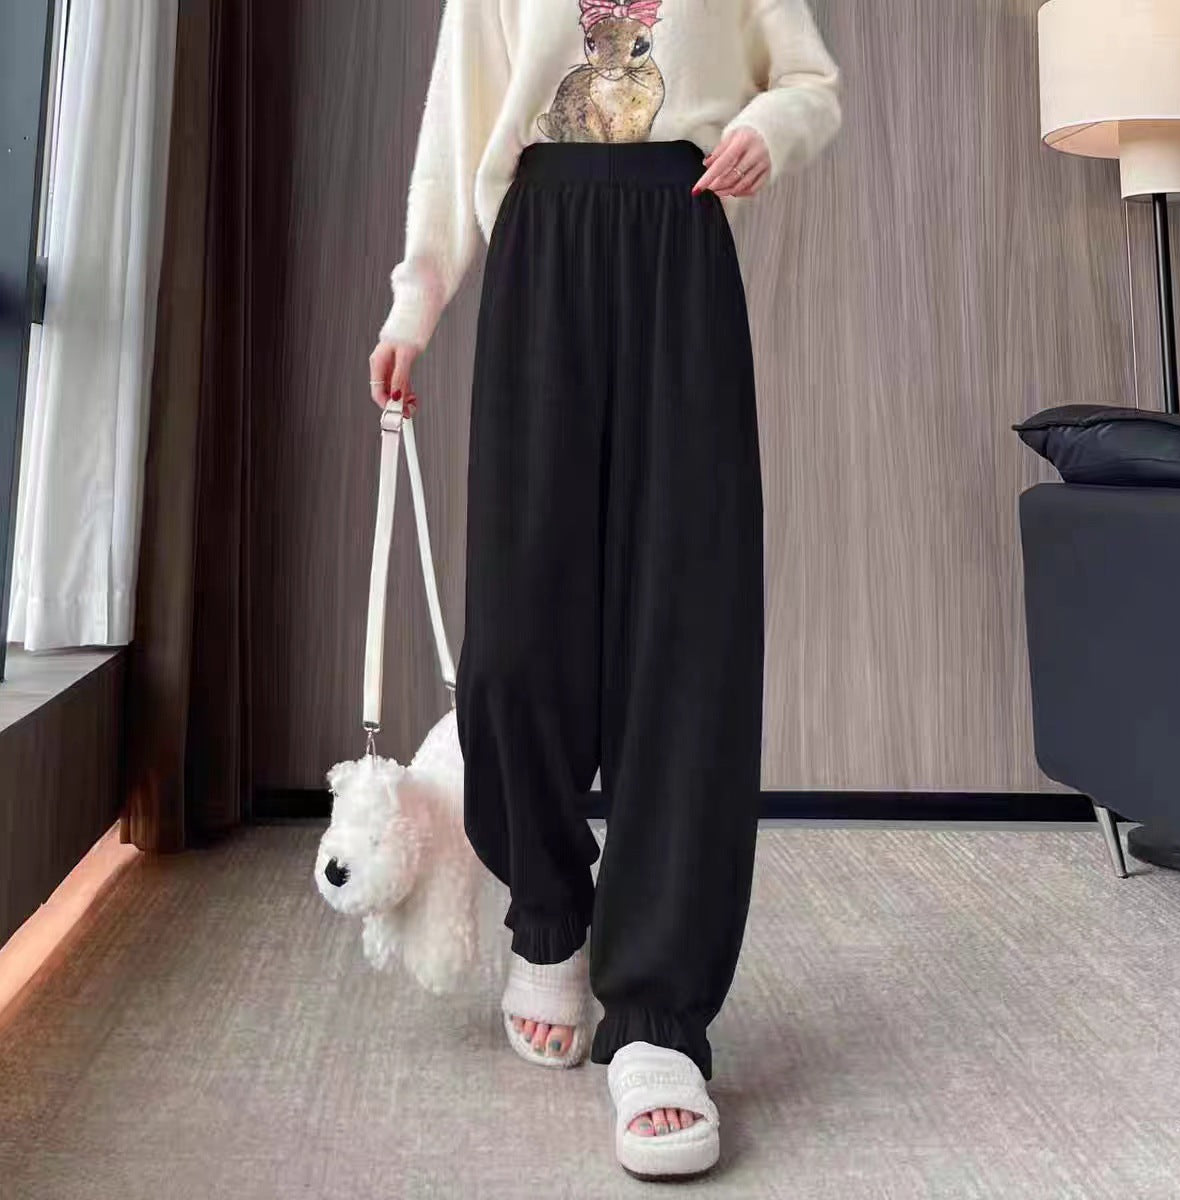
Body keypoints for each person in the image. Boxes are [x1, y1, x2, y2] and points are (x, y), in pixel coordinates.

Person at [368, 0, 841, 1180]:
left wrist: (771, 130)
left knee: (688, 634)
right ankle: (549, 914)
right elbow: (457, 124)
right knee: (516, 639)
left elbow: (811, 83)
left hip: (681, 245)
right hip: (541, 250)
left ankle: (657, 1022)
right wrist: (416, 301)